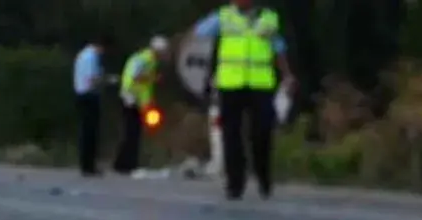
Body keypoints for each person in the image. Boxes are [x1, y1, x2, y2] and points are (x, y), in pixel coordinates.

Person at [192, 1, 296, 200]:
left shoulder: (268, 19)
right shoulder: (224, 17)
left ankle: (263, 176)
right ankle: (235, 183)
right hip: (230, 83)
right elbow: (200, 32)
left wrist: (287, 75)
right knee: (231, 134)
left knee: (262, 133)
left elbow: (278, 47)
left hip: (261, 83)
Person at [113, 35, 170, 176]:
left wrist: (148, 102)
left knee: (133, 131)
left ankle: (122, 163)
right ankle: (128, 165)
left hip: (135, 99)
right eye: (163, 52)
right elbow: (136, 77)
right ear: (157, 50)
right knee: (132, 132)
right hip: (130, 97)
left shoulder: (148, 59)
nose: (164, 55)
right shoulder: (145, 59)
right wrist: (153, 78)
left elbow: (145, 87)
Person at [74, 36, 109, 177]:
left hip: (80, 94)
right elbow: (93, 79)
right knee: (91, 132)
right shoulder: (91, 57)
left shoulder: (82, 55)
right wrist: (106, 81)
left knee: (85, 130)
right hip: (89, 95)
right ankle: (89, 166)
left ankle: (86, 164)